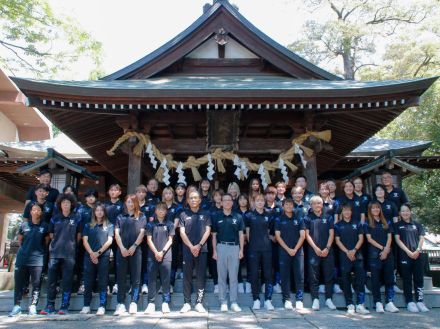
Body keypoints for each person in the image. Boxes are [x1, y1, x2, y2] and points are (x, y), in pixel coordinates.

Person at [40, 193, 81, 315]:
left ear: (71, 204)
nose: (65, 205)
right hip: (55, 253)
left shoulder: (76, 217)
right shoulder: (55, 218)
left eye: (68, 203)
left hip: (69, 254)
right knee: (52, 280)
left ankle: (64, 306)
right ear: (60, 204)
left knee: (67, 280)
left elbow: (78, 236)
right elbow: (51, 234)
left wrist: (71, 245)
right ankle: (50, 305)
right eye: (63, 203)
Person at [9, 203, 49, 317]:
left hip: (37, 259)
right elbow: (21, 240)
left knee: (36, 284)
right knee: (19, 283)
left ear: (41, 212)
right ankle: (16, 306)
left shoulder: (45, 226)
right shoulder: (24, 225)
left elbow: (46, 242)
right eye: (34, 209)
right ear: (30, 212)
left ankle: (33, 306)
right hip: (22, 258)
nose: (36, 211)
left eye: (38, 210)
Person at [179, 190, 212, 313]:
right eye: (191, 198)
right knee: (187, 276)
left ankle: (199, 302)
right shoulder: (183, 214)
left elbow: (208, 231)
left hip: (202, 249)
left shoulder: (206, 214)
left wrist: (199, 245)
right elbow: (181, 233)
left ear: (200, 200)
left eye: (195, 198)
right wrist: (191, 247)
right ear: (187, 200)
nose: (193, 200)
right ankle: (186, 302)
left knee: (201, 276)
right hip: (187, 250)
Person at [113, 195, 146, 316]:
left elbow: (142, 232)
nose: (130, 204)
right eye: (128, 202)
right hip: (121, 251)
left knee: (136, 278)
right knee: (121, 277)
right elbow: (116, 233)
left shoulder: (141, 216)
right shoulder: (120, 216)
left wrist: (134, 246)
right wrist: (122, 248)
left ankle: (134, 302)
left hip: (136, 251)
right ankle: (120, 303)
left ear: (136, 203)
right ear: (125, 203)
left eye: (132, 202)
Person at [212, 193, 245, 312]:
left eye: (229, 200)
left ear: (232, 202)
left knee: (233, 276)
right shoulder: (217, 216)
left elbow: (241, 235)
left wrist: (241, 250)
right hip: (221, 247)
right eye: (224, 200)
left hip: (234, 247)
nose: (226, 202)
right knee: (221, 276)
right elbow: (214, 236)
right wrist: (214, 251)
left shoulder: (238, 217)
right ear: (221, 203)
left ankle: (234, 302)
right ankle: (223, 301)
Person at [334, 203, 369, 315]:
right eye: (345, 210)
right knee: (346, 280)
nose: (347, 212)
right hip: (344, 256)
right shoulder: (338, 225)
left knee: (360, 280)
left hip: (357, 255)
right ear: (342, 212)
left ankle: (360, 304)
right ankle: (349, 304)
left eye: (348, 210)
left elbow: (361, 239)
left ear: (351, 212)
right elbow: (337, 241)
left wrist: (354, 250)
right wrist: (347, 251)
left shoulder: (358, 223)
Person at [80, 203, 114, 315]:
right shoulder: (88, 225)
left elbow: (109, 241)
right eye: (97, 210)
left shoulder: (109, 225)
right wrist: (92, 253)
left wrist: (98, 253)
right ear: (94, 212)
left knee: (103, 281)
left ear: (104, 212)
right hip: (89, 256)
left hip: (103, 256)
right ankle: (86, 305)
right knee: (88, 281)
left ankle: (102, 306)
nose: (99, 212)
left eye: (101, 210)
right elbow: (85, 240)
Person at [394, 203, 429, 313]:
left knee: (419, 279)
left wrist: (418, 250)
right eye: (403, 211)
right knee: (407, 279)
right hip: (405, 255)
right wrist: (408, 252)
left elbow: (422, 237)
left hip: (417, 255)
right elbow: (397, 240)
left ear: (410, 212)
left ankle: (420, 300)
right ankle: (410, 301)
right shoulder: (397, 225)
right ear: (400, 213)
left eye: (407, 211)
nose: (405, 213)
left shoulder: (417, 224)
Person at [365, 201, 399, 313]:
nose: (375, 210)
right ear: (370, 210)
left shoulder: (386, 222)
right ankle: (378, 302)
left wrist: (386, 249)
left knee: (389, 279)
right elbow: (369, 239)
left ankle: (390, 301)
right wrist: (382, 248)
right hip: (374, 255)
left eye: (377, 208)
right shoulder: (367, 222)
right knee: (375, 280)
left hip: (388, 254)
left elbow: (390, 237)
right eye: (373, 208)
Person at [305, 195, 336, 311]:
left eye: (319, 203)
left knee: (328, 276)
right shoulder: (308, 218)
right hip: (314, 251)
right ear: (311, 206)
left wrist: (327, 248)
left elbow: (331, 233)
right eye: (314, 203)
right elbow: (306, 235)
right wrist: (316, 248)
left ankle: (329, 299)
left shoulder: (328, 217)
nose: (317, 205)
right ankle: (315, 299)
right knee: (314, 277)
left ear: (322, 204)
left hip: (328, 251)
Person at [275, 198, 305, 310]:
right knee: (285, 276)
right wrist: (288, 249)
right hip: (284, 251)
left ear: (293, 206)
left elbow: (302, 235)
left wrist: (295, 249)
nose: (288, 206)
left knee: (299, 276)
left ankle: (299, 299)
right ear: (283, 206)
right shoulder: (279, 219)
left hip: (298, 252)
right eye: (286, 204)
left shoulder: (299, 218)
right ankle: (286, 299)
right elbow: (278, 236)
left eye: (290, 204)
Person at [144, 203, 175, 314]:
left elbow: (170, 240)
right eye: (159, 209)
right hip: (152, 256)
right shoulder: (150, 224)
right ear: (155, 211)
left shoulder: (170, 224)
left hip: (166, 255)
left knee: (166, 280)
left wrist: (162, 252)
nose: (161, 211)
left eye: (163, 209)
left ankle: (165, 302)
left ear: (166, 211)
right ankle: (151, 303)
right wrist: (156, 252)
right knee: (152, 280)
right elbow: (148, 240)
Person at [245, 194, 274, 311]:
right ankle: (256, 299)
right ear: (254, 202)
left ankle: (268, 300)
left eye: (262, 200)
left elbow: (268, 232)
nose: (260, 202)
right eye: (258, 200)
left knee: (268, 275)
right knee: (254, 274)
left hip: (266, 249)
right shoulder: (249, 215)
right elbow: (247, 233)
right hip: (253, 248)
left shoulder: (269, 215)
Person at [76, 188, 98, 295]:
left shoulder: (99, 209)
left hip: (97, 239)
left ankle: (93, 286)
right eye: (89, 196)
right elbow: (78, 225)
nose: (91, 198)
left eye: (93, 196)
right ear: (85, 198)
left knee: (96, 262)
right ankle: (83, 284)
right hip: (84, 239)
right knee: (83, 263)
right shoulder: (81, 210)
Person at [104, 183, 124, 295]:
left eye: (115, 190)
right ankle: (106, 285)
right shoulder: (104, 204)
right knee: (105, 260)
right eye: (111, 190)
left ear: (120, 192)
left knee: (118, 260)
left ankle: (117, 284)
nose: (113, 192)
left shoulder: (122, 205)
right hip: (106, 235)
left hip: (118, 235)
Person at [209, 189, 224, 294]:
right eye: (216, 196)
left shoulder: (227, 209)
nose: (218, 198)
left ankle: (224, 283)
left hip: (225, 239)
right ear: (213, 198)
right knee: (214, 261)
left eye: (220, 196)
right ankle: (216, 284)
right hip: (213, 238)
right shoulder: (210, 210)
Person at [237, 193, 251, 293]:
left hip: (250, 242)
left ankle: (249, 283)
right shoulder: (235, 213)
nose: (243, 201)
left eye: (244, 199)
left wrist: (247, 237)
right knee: (237, 263)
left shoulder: (251, 213)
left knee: (250, 263)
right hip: (237, 241)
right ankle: (240, 283)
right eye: (240, 199)